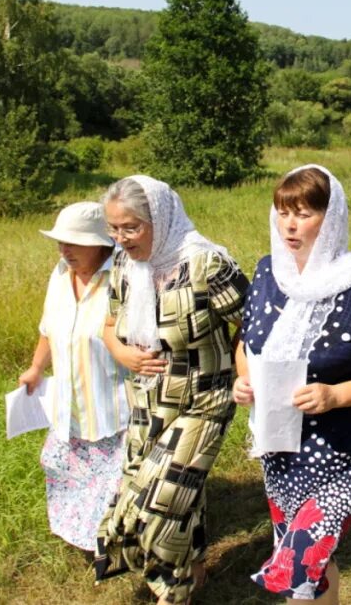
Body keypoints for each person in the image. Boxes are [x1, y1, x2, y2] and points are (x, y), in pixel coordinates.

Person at [233, 165, 351, 603]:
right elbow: (245, 343)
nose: (290, 224)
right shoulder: (267, 274)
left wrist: (336, 395)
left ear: (330, 218)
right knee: (312, 562)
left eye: (304, 213)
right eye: (283, 212)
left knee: (301, 559)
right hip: (280, 446)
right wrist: (245, 378)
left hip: (344, 447)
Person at [95, 176, 250, 605]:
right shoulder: (124, 264)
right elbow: (109, 326)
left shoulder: (207, 264)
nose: (121, 239)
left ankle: (173, 592)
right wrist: (122, 354)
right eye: (113, 228)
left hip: (204, 398)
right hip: (146, 399)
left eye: (131, 228)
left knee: (159, 503)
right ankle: (192, 572)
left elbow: (254, 323)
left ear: (159, 220)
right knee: (179, 494)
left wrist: (243, 375)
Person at [17, 202, 128, 554]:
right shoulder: (60, 274)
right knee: (61, 464)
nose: (64, 250)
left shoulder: (122, 277)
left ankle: (115, 541)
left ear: (100, 243)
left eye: (74, 243)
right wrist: (36, 367)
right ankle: (85, 537)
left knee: (116, 479)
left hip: (113, 405)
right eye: (60, 242)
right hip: (70, 403)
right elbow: (50, 326)